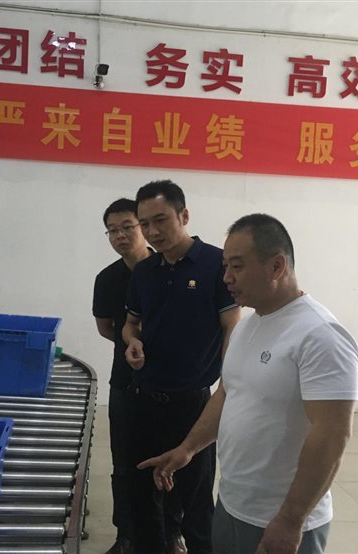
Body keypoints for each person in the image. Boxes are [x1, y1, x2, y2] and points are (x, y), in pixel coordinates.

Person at [139, 213, 358, 554]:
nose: (226, 277)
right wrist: (188, 449)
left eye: (237, 267)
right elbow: (228, 393)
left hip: (281, 520)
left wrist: (291, 520)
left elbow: (333, 434)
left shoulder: (320, 335)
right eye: (225, 266)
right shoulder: (246, 326)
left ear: (276, 266)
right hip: (232, 504)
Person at [122, 180, 241, 554]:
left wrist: (230, 384)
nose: (153, 232)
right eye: (145, 224)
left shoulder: (215, 264)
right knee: (142, 495)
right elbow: (130, 324)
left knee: (195, 502)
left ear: (184, 215)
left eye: (161, 220)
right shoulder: (145, 271)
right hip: (144, 398)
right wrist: (132, 341)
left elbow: (231, 325)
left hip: (192, 404)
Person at [92, 198, 153, 554]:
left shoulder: (167, 271)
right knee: (124, 462)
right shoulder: (108, 279)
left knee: (172, 460)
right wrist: (130, 342)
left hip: (170, 381)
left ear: (143, 226)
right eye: (112, 230)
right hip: (125, 381)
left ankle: (171, 532)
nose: (120, 236)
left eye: (127, 227)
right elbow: (106, 328)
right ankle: (126, 535)